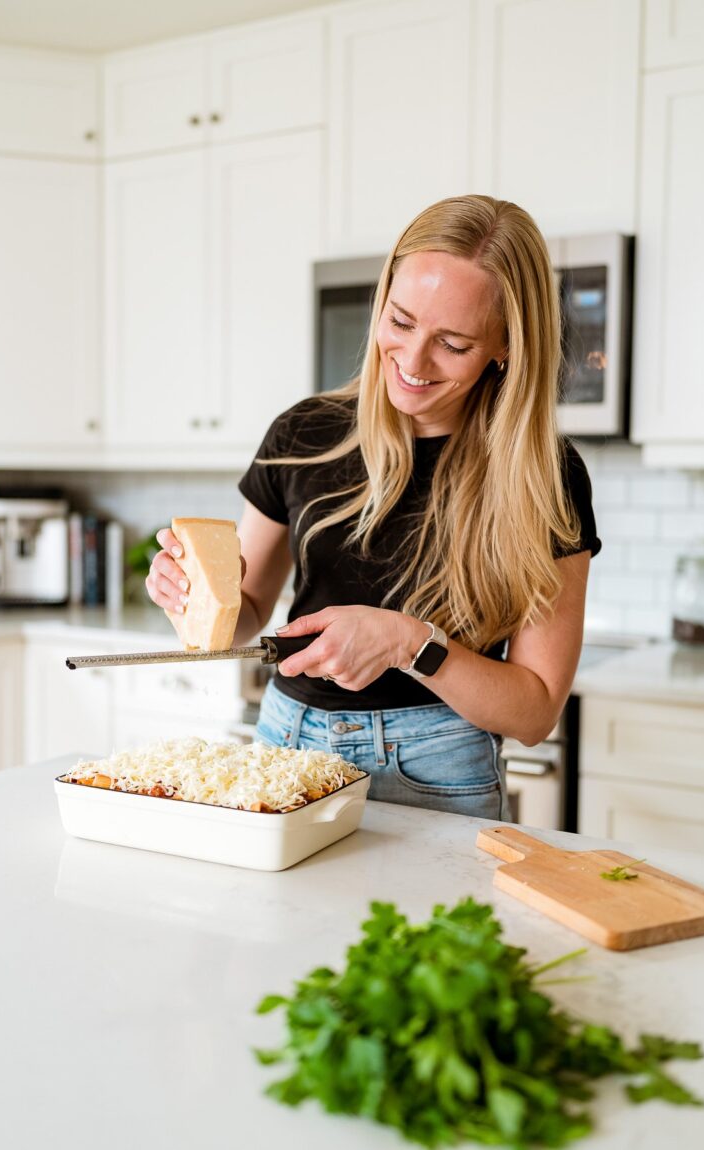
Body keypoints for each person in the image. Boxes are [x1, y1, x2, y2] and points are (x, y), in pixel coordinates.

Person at [146, 195, 600, 820]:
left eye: (454, 344)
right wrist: (188, 594)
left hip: (436, 765)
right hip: (285, 747)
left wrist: (410, 644)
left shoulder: (544, 477)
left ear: (505, 347)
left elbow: (534, 712)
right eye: (402, 321)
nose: (412, 363)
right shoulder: (302, 434)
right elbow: (244, 615)